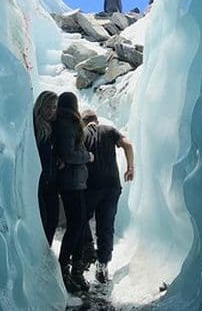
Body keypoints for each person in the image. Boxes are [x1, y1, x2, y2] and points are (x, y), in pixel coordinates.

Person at [78, 110, 134, 284]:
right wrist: (130, 167)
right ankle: (103, 264)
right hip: (112, 186)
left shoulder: (82, 134)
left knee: (80, 220)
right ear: (96, 120)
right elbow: (128, 145)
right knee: (106, 225)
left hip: (90, 187)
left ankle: (88, 249)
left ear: (83, 122)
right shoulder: (109, 131)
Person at [53, 92, 95, 293]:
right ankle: (65, 269)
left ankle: (73, 270)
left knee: (78, 225)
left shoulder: (65, 122)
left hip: (75, 182)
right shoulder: (67, 123)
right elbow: (69, 154)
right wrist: (87, 156)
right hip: (71, 182)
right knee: (76, 225)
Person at [33, 91, 59, 245]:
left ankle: (45, 253)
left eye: (54, 107)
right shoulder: (34, 127)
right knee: (43, 220)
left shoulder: (54, 128)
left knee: (52, 219)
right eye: (48, 106)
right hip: (38, 182)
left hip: (51, 181)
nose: (50, 111)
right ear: (40, 106)